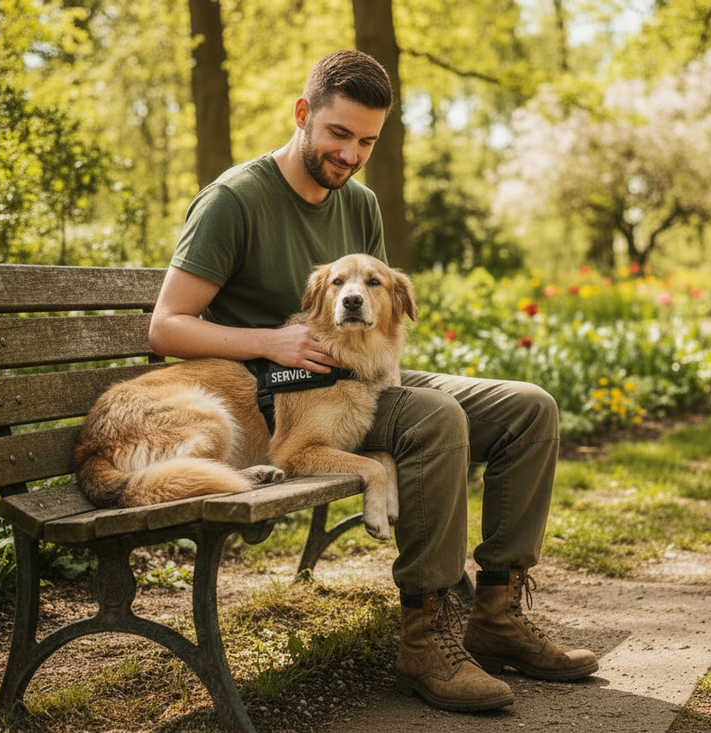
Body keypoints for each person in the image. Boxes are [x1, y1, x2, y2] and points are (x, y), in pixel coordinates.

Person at [149, 49, 598, 713]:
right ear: (303, 115)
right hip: (295, 395)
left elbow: (379, 304)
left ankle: (497, 612)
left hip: (366, 378)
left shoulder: (358, 200)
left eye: (367, 140)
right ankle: (426, 632)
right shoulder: (234, 201)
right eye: (338, 134)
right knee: (439, 418)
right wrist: (269, 340)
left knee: (530, 407)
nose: (351, 154)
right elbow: (166, 326)